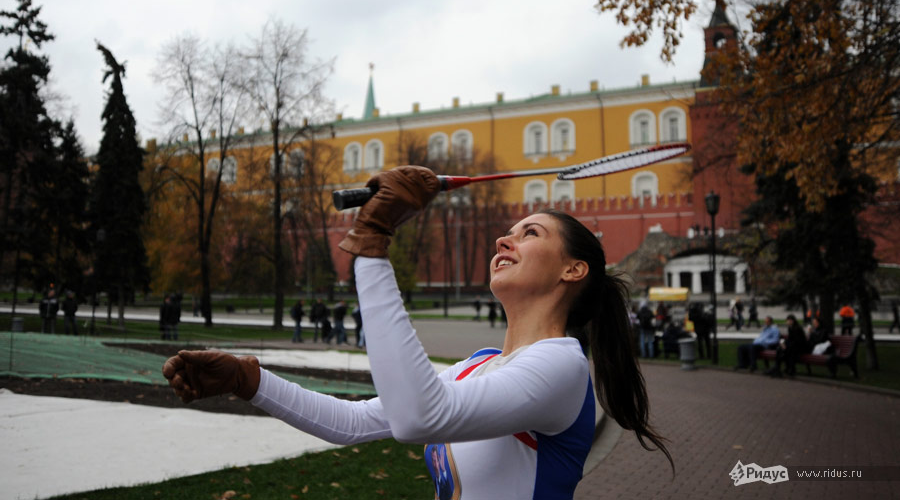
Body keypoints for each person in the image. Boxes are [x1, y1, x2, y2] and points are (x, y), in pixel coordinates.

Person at [162, 166, 672, 498]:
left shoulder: (561, 365)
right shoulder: (480, 364)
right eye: (510, 230)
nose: (505, 237)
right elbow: (355, 423)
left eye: (530, 233)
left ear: (573, 271)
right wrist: (247, 381)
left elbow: (417, 416)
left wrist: (373, 241)